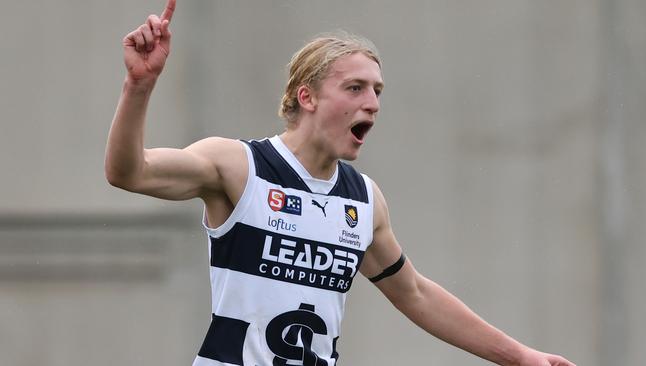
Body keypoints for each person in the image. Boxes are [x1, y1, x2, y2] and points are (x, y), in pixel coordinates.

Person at [105, 1, 577, 365]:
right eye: (354, 88)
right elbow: (130, 172)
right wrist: (138, 87)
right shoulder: (239, 165)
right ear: (306, 96)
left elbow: (414, 293)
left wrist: (520, 356)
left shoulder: (364, 200)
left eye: (377, 91)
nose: (371, 102)